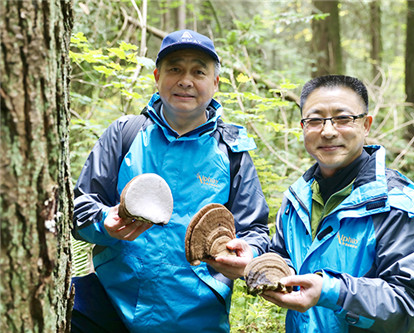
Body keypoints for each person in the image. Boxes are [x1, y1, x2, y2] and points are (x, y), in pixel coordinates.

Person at [71, 29, 269, 333]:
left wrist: (247, 253)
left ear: (215, 83)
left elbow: (255, 230)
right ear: (157, 76)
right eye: (175, 68)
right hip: (109, 305)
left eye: (198, 71)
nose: (185, 80)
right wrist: (104, 222)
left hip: (195, 317)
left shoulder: (232, 152)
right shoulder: (126, 133)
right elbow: (81, 208)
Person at [262, 75, 414, 332]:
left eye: (343, 118)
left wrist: (332, 292)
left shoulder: (400, 208)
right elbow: (282, 258)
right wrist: (252, 262)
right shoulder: (296, 200)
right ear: (303, 126)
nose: (328, 131)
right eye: (315, 120)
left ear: (366, 125)